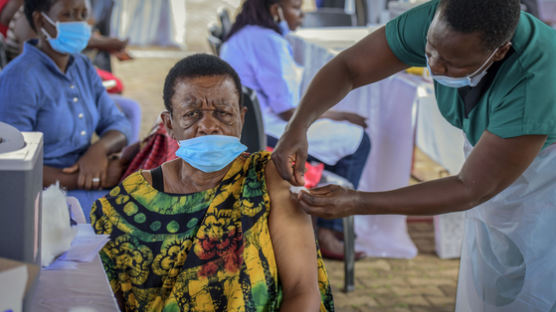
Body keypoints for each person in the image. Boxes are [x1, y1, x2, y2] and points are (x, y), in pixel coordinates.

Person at [272, 0, 556, 310]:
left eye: (452, 63)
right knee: (490, 276)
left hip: (545, 177)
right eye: (430, 51)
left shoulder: (535, 80)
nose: (434, 66)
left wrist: (358, 202)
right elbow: (349, 67)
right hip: (492, 169)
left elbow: (470, 188)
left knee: (535, 285)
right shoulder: (443, 19)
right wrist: (297, 126)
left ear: (499, 52)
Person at [91, 54, 334, 311]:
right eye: (192, 114)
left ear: (241, 118)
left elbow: (302, 290)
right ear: (169, 124)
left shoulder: (269, 179)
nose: (208, 125)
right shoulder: (127, 205)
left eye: (222, 113)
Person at [220, 0, 370, 260]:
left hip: (248, 129)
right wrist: (339, 114)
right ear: (275, 9)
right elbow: (288, 110)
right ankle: (329, 230)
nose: (301, 16)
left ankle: (319, 219)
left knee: (338, 136)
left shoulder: (243, 35)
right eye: (296, 8)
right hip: (270, 132)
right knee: (358, 139)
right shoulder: (268, 41)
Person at [0, 0, 132, 218]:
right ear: (41, 20)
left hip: (90, 185)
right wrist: (90, 178)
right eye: (68, 15)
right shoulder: (19, 79)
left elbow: (118, 123)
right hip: (42, 200)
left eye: (82, 15)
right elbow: (13, 166)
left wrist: (98, 150)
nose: (79, 24)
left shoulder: (82, 66)